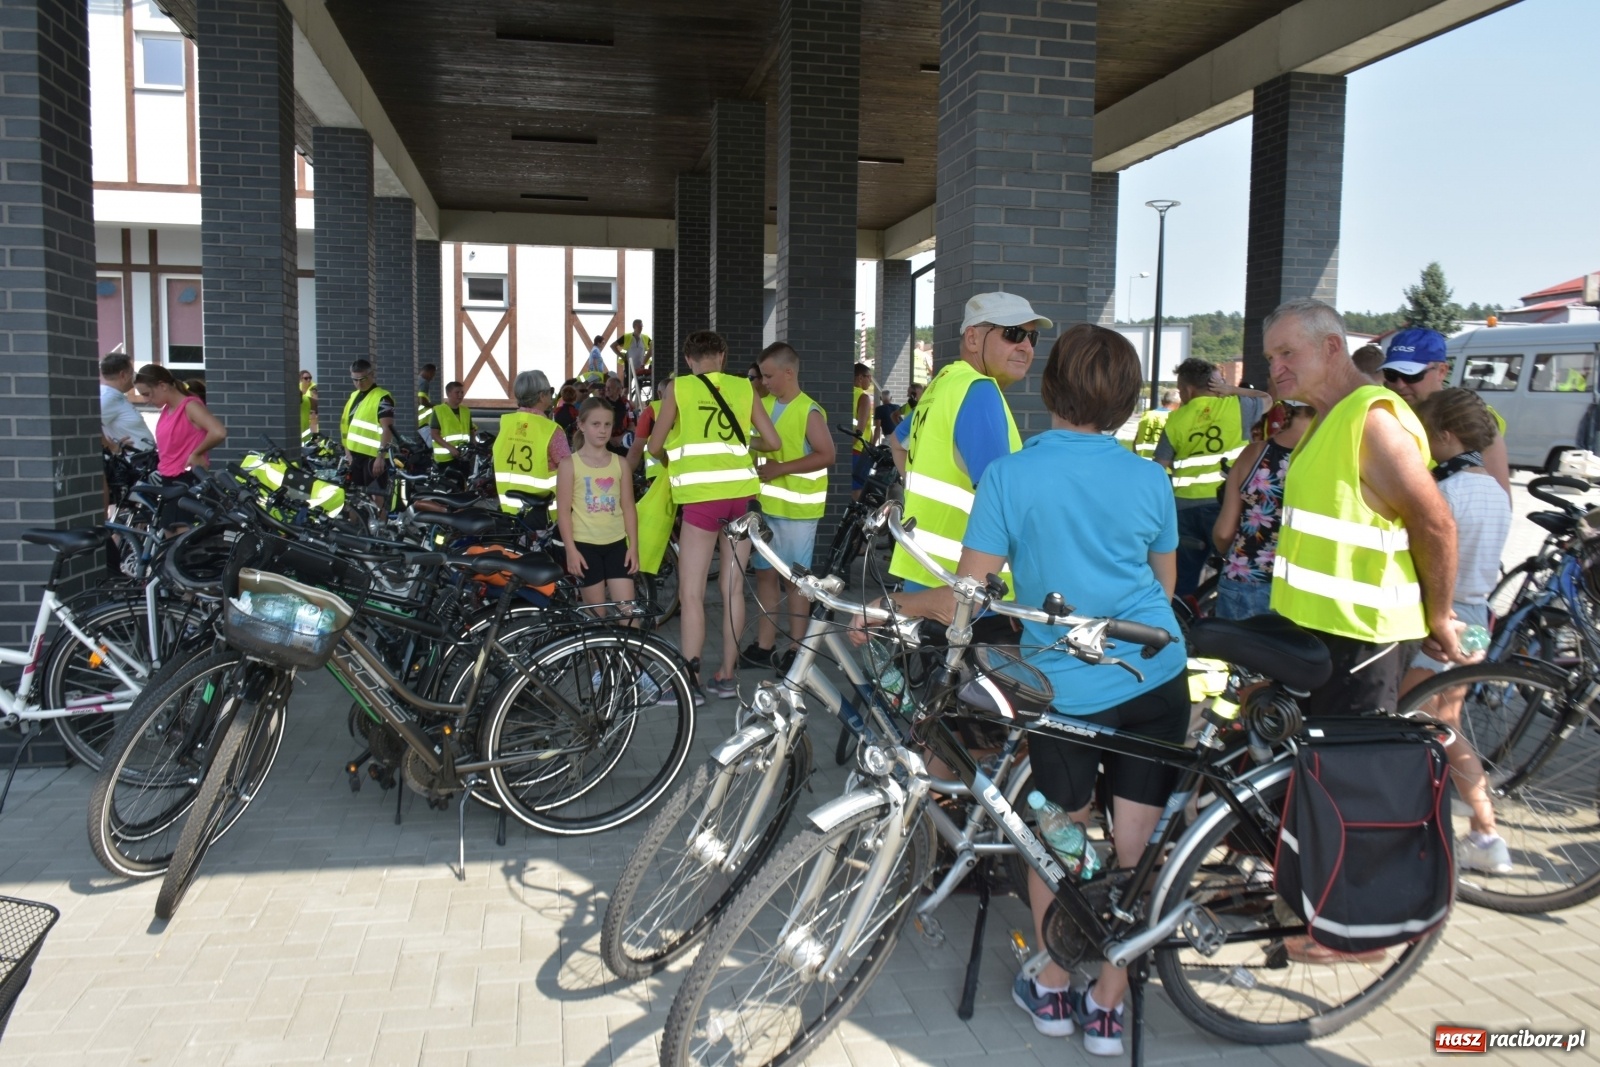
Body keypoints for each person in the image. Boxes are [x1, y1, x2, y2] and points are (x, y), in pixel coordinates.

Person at [858, 324, 1187, 1057]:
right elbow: (1164, 586)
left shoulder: (1014, 474)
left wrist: (889, 608)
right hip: (1156, 676)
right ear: (1130, 401)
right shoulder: (1149, 478)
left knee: (1056, 839)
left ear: (1050, 389)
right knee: (1132, 848)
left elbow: (966, 596)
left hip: (1066, 692)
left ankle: (1051, 983)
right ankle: (1109, 1003)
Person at [1265, 298, 1462, 721]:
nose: (1275, 367)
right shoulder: (1328, 418)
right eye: (1270, 357)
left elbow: (1435, 523)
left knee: (1345, 780)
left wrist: (1440, 615)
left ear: (1332, 347)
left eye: (1287, 353)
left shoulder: (1372, 420)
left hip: (1360, 637)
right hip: (1314, 629)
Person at [1401, 388, 1512, 873]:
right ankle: (1483, 836)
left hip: (1440, 621)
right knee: (1446, 728)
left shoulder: (1446, 490)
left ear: (1445, 435)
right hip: (1477, 619)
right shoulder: (1495, 490)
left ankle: (1476, 831)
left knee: (1412, 722)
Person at [647, 330, 782, 704]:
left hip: (702, 501)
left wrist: (672, 461)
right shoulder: (745, 389)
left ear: (689, 360)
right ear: (722, 357)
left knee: (691, 593)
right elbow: (773, 442)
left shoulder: (679, 389)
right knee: (733, 589)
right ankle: (726, 676)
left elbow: (655, 446)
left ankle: (690, 683)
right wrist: (740, 443)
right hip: (739, 499)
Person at [888, 291, 1050, 591]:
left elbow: (897, 442)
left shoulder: (944, 384)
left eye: (1032, 338)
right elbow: (1004, 500)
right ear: (973, 338)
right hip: (972, 588)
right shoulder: (979, 391)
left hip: (925, 570)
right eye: (1013, 334)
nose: (1026, 347)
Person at [742, 342, 836, 671]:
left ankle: (798, 652)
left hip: (798, 514)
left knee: (795, 583)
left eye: (768, 375)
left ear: (788, 373)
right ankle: (765, 646)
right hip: (769, 509)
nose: (763, 381)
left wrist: (780, 469)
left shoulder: (808, 410)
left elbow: (827, 454)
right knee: (766, 578)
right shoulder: (765, 406)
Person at [1155, 358, 1273, 598]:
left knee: (1183, 579)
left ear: (1188, 390)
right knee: (1233, 570)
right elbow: (1269, 399)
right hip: (1227, 505)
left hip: (1183, 509)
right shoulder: (1237, 406)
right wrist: (1232, 390)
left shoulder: (1175, 419)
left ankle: (1184, 624)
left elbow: (1160, 466)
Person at [1210, 400, 1313, 619]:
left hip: (1245, 578)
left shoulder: (1254, 453)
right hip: (1307, 585)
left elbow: (1223, 532)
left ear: (1284, 407)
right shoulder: (1332, 457)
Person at [1380, 327, 1512, 495]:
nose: (1399, 384)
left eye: (1412, 376)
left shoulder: (1469, 416)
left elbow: (1497, 501)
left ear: (1442, 371)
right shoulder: (1382, 414)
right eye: (1391, 374)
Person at [557, 396, 640, 614]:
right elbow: (563, 512)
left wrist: (633, 546)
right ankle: (597, 650)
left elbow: (629, 507)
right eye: (596, 424)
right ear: (581, 425)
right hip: (585, 547)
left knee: (629, 613)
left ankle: (628, 649)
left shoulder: (620, 463)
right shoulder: (569, 465)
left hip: (617, 545)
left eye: (607, 424)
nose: (602, 430)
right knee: (597, 616)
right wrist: (570, 551)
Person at [133, 364, 227, 529]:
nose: (146, 401)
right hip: (169, 480)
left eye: (148, 394)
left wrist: (197, 453)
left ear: (162, 385)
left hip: (186, 480)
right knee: (170, 533)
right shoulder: (167, 409)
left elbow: (218, 431)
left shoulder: (190, 406)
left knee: (181, 540)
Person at [494, 370, 569, 522]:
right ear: (542, 396)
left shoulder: (506, 423)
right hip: (544, 512)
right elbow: (569, 469)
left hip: (510, 506)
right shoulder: (550, 430)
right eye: (551, 391)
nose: (552, 396)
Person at [341, 359, 395, 501]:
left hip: (373, 457)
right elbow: (346, 426)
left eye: (362, 379)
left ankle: (380, 524)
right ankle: (356, 523)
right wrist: (348, 454)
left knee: (377, 497)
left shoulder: (382, 398)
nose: (359, 383)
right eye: (355, 379)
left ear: (372, 375)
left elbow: (387, 429)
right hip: (355, 456)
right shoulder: (353, 396)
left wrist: (380, 457)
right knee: (354, 497)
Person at [100, 353, 155, 454]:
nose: (134, 376)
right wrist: (112, 448)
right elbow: (89, 425)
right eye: (131, 372)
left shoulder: (113, 395)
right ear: (123, 375)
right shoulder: (108, 397)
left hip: (141, 462)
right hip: (130, 464)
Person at [428, 380, 475, 483]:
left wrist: (473, 446)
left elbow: (471, 430)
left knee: (462, 484)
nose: (460, 395)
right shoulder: (439, 410)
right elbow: (434, 434)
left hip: (463, 457)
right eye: (457, 392)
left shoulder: (466, 411)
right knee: (449, 487)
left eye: (462, 392)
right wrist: (450, 448)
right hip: (446, 458)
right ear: (448, 394)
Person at [1127, 388, 1179, 458]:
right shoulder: (1173, 418)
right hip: (1160, 462)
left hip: (1141, 460)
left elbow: (1136, 439)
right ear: (1178, 404)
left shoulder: (1147, 415)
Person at [849, 363, 875, 500]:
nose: (870, 380)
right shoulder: (863, 397)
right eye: (869, 377)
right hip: (858, 450)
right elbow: (860, 428)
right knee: (858, 490)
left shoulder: (845, 394)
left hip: (849, 450)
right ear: (860, 378)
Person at [610, 318, 652, 398]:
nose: (641, 327)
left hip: (640, 366)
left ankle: (637, 405)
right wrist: (621, 356)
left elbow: (653, 347)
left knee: (639, 387)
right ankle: (623, 402)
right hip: (629, 366)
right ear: (635, 326)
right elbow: (613, 346)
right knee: (626, 388)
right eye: (640, 326)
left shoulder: (645, 338)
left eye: (642, 326)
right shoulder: (627, 337)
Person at [602, 374, 632, 456]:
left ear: (618, 390)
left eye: (610, 387)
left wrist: (621, 437)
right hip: (604, 441)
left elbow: (632, 425)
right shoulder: (601, 403)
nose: (606, 389)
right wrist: (610, 438)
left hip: (622, 440)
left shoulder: (626, 404)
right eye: (606, 387)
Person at [298, 370, 319, 444]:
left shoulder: (314, 388)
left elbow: (317, 404)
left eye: (310, 378)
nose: (309, 380)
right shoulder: (298, 387)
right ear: (301, 379)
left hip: (311, 420)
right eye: (306, 378)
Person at [416, 363, 437, 428]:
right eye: (432, 375)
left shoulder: (416, 380)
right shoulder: (424, 383)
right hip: (423, 421)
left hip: (418, 418)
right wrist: (434, 406)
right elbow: (421, 400)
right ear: (429, 372)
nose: (432, 378)